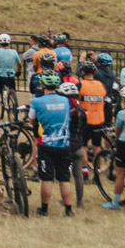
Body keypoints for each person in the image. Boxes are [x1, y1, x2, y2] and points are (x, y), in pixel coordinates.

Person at [28, 73, 75, 216]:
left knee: (47, 178)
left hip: (46, 144)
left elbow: (31, 120)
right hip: (64, 144)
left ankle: (44, 209)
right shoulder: (66, 101)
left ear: (42, 85)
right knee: (64, 178)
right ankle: (68, 210)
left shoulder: (37, 101)